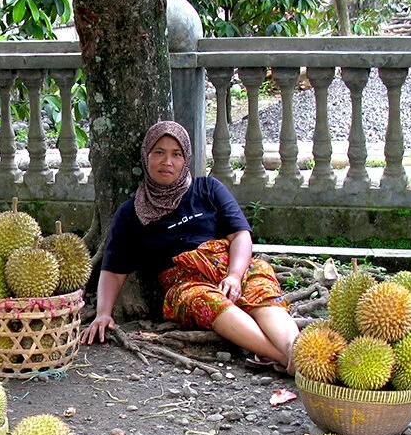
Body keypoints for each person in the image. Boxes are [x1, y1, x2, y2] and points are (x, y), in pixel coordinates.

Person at [83, 120, 300, 371]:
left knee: (260, 287)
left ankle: (297, 350)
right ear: (146, 156)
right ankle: (288, 360)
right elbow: (113, 270)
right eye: (159, 152)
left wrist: (234, 275)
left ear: (186, 159)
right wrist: (103, 313)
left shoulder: (208, 188)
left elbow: (240, 234)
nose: (167, 162)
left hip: (231, 267)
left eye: (176, 154)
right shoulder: (131, 213)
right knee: (207, 301)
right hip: (186, 284)